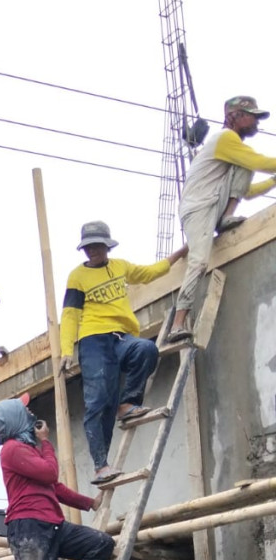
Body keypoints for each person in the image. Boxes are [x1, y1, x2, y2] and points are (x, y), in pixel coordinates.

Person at [60, 220, 186, 485]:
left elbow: (149, 273)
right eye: (88, 247)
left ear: (106, 246)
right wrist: (66, 350)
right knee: (99, 400)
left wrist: (179, 254)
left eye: (97, 246)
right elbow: (70, 315)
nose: (92, 251)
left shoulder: (120, 266)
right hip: (93, 340)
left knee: (146, 349)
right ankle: (101, 466)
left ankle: (128, 404)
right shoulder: (77, 277)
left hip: (122, 336)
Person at [165, 96, 276, 346]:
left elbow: (244, 189)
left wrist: (272, 181)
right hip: (199, 208)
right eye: (252, 116)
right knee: (200, 260)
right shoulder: (225, 139)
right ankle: (178, 323)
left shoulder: (233, 147)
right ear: (234, 116)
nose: (256, 122)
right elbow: (259, 163)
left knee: (245, 163)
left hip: (213, 204)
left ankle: (226, 218)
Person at [0, 397, 114, 560]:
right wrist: (46, 442)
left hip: (52, 524)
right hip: (29, 527)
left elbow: (53, 487)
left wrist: (89, 503)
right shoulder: (12, 449)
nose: (29, 411)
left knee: (101, 544)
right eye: (24, 409)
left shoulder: (27, 450)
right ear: (15, 418)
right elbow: (50, 473)